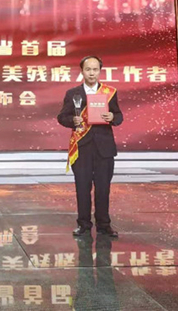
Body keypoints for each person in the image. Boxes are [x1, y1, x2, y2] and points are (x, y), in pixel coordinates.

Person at [57, 56, 123, 237]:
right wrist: (73, 120)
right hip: (82, 147)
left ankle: (104, 225)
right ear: (82, 71)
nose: (91, 73)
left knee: (103, 188)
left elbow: (118, 115)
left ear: (99, 71)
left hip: (104, 148)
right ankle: (84, 224)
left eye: (95, 69)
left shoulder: (109, 92)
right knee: (82, 187)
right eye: (88, 69)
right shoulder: (73, 93)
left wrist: (112, 117)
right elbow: (62, 117)